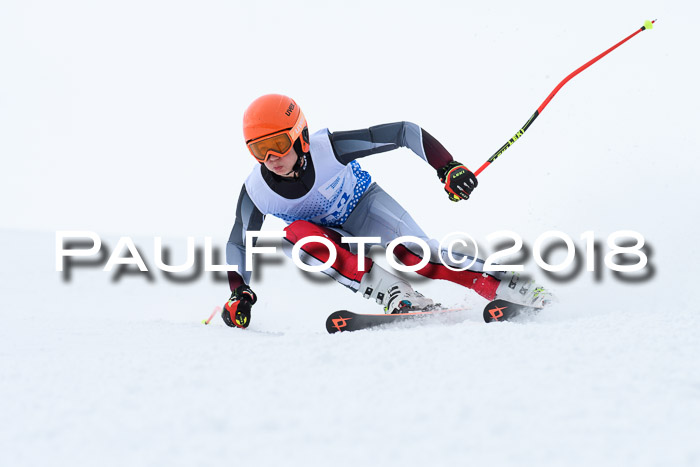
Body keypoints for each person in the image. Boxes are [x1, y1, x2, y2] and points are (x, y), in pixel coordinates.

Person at [222, 94, 551, 328]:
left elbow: (403, 131)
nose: (271, 158)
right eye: (258, 149)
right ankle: (395, 295)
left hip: (365, 207)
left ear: (300, 137)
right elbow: (238, 242)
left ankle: (512, 285)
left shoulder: (329, 149)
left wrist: (446, 167)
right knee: (294, 239)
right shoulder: (258, 191)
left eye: (277, 144)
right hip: (331, 238)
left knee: (417, 257)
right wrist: (239, 291)